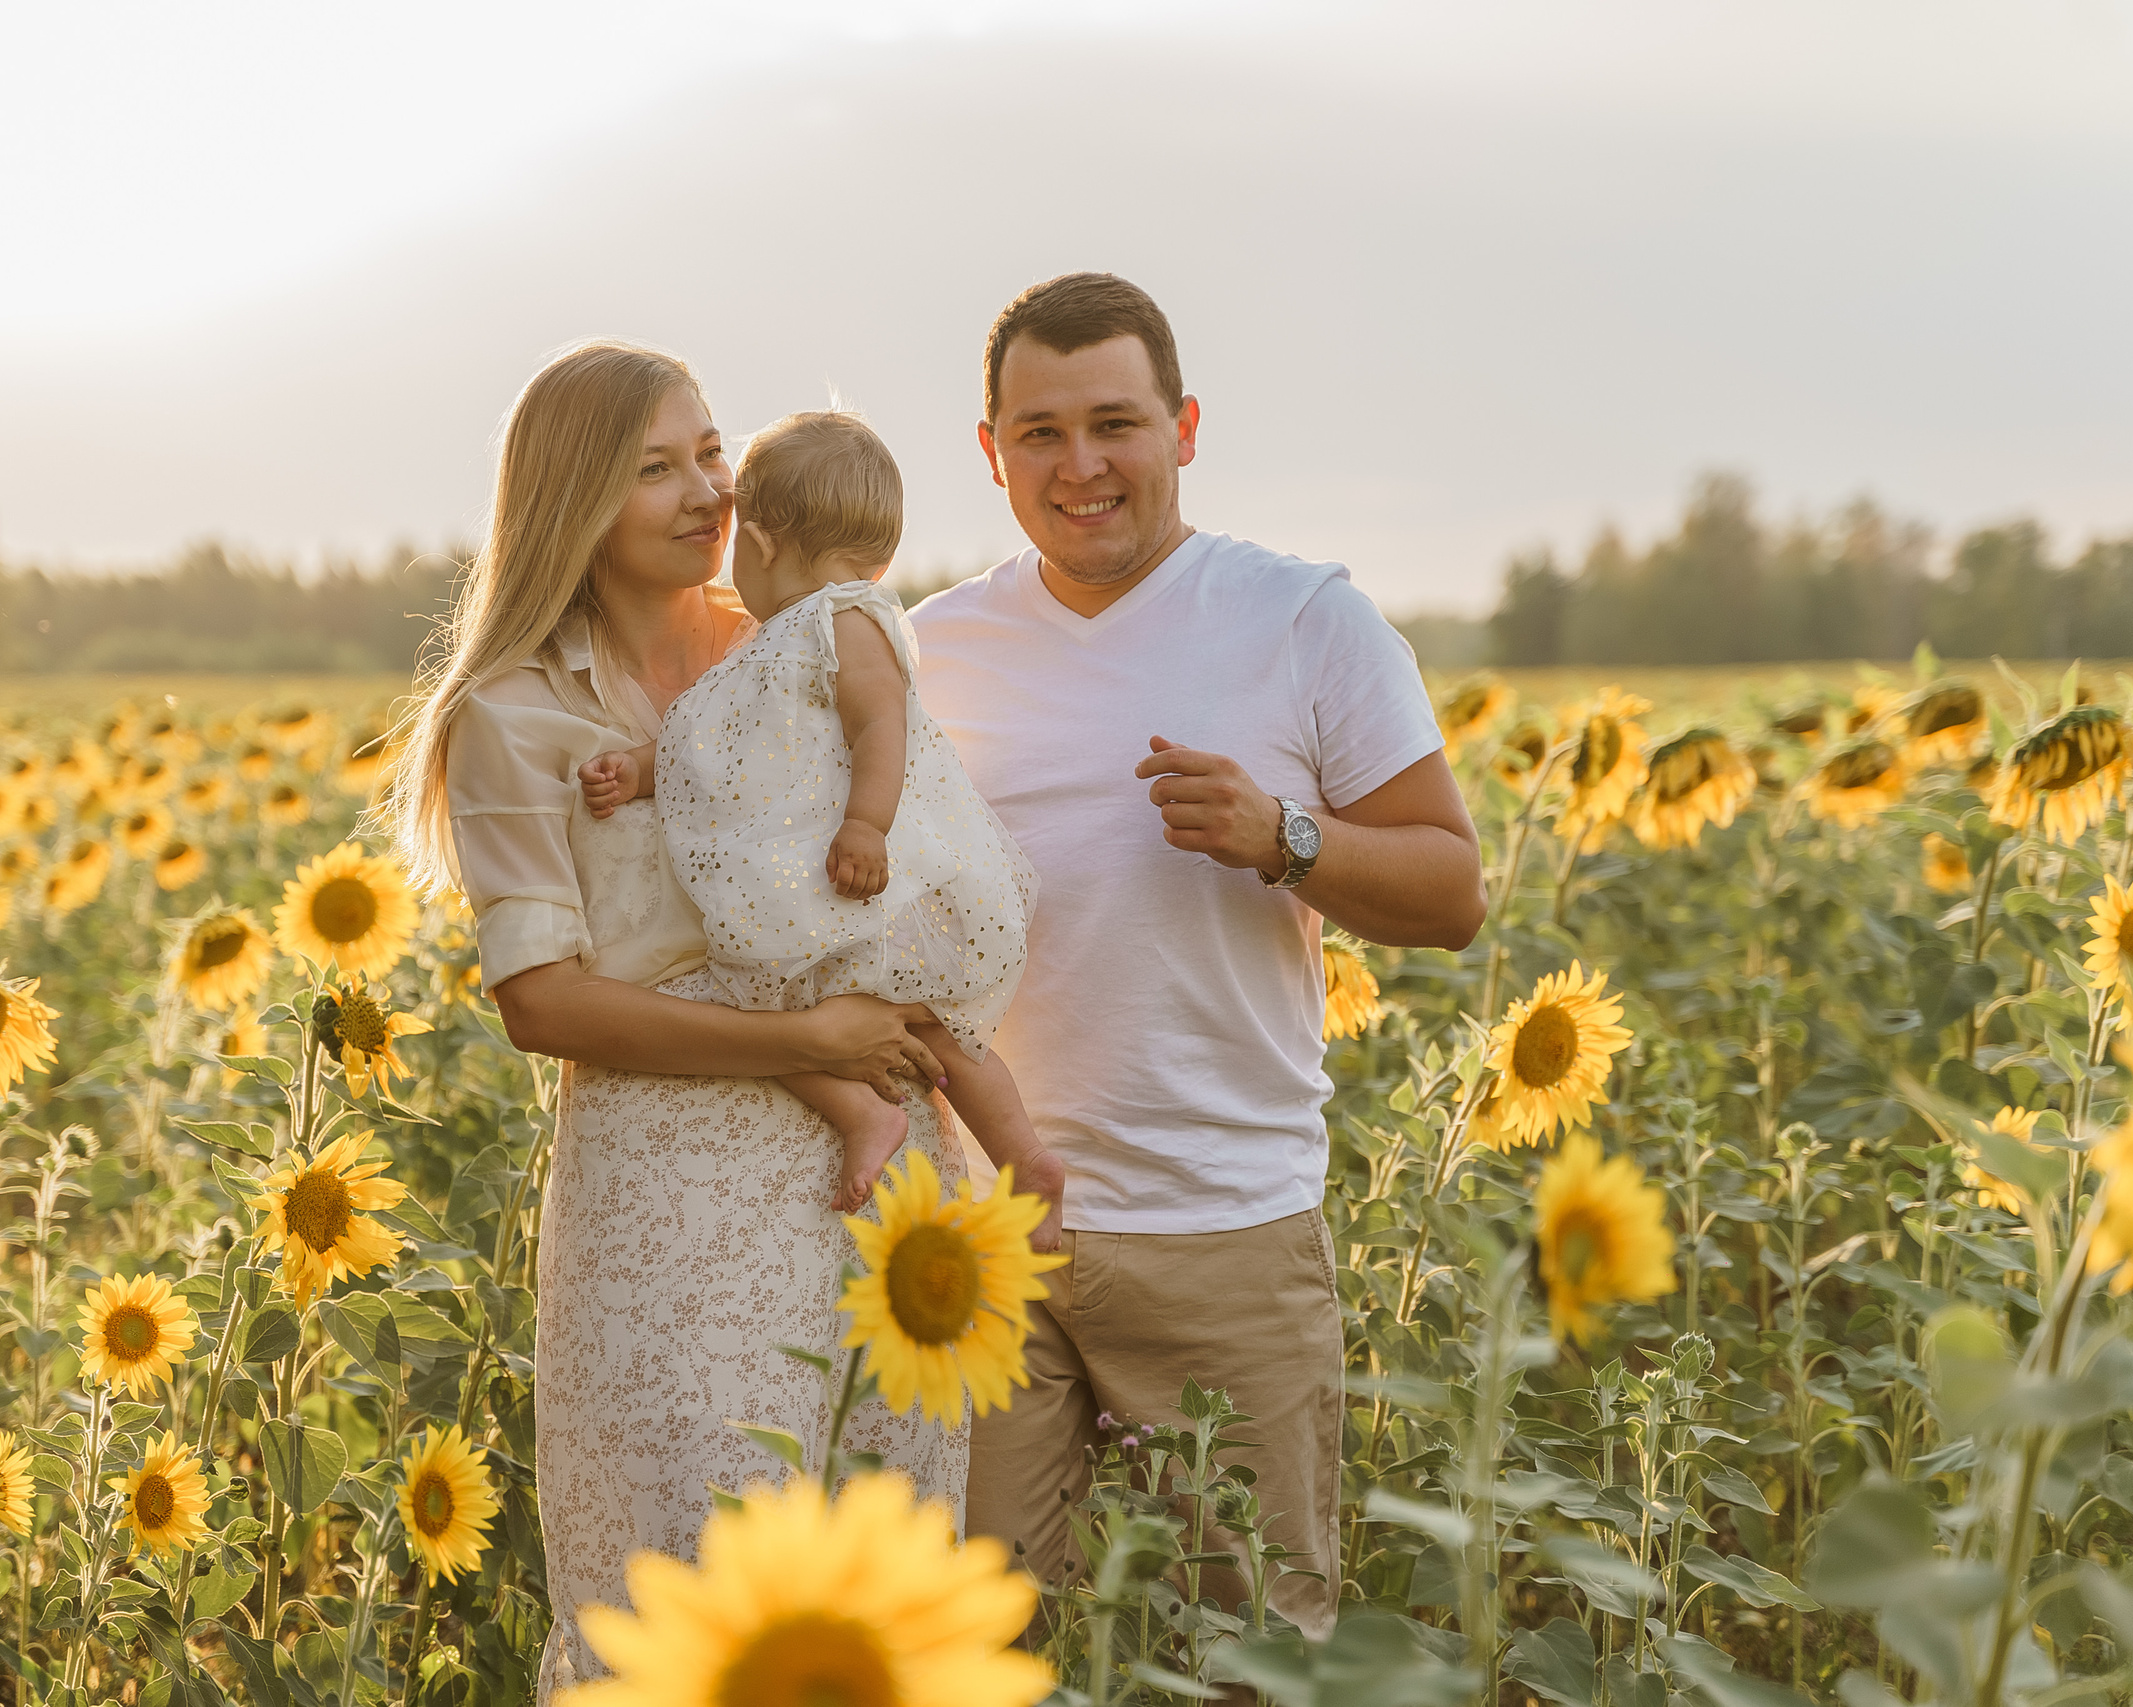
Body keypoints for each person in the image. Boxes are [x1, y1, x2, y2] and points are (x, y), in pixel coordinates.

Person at [385, 341, 970, 1700]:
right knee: (685, 1589)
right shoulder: (512, 710)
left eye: (711, 452)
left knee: (884, 1588)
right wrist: (808, 1044)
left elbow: (918, 848)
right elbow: (542, 1000)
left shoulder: (798, 642)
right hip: (666, 1190)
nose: (708, 490)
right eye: (657, 467)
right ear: (575, 499)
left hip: (880, 1173)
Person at [911, 273, 1487, 1635]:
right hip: (983, 1236)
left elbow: (1452, 890)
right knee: (975, 1643)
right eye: (1040, 432)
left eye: (1114, 423)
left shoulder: (1303, 620)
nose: (1080, 465)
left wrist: (1284, 836)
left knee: (1250, 1647)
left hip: (1219, 1223)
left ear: (1183, 426)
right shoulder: (928, 651)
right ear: (990, 451)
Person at [576, 410, 1065, 1246]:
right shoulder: (771, 646)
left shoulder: (845, 622)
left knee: (818, 1006)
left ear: (763, 545)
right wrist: (638, 769)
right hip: (810, 882)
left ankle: (1017, 1155)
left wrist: (867, 825)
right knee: (872, 1016)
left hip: (862, 872)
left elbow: (883, 725)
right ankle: (917, 1129)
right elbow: (709, 743)